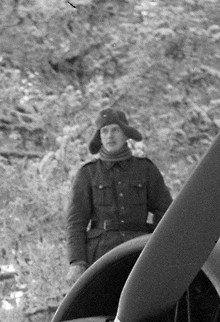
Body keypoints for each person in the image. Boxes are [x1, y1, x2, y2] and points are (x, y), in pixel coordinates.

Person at [65, 108, 174, 284]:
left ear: (126, 134)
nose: (110, 136)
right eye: (104, 131)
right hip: (101, 257)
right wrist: (76, 262)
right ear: (99, 137)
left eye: (115, 129)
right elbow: (76, 222)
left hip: (140, 253)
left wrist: (160, 249)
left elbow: (167, 213)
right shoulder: (88, 174)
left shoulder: (145, 169)